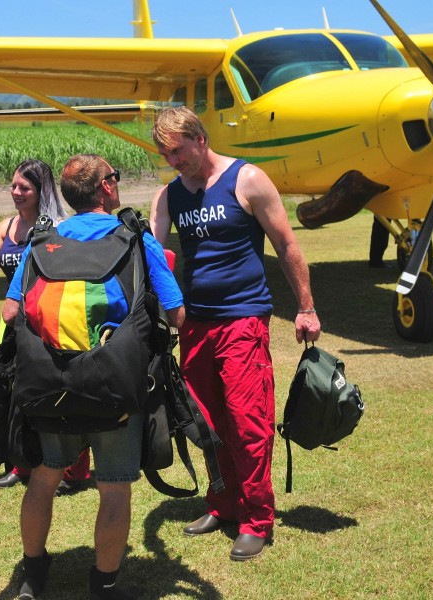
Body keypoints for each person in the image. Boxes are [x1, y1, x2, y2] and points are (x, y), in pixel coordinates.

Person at [2, 154, 184, 600]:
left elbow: (11, 310)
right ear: (106, 186)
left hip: (48, 386)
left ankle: (32, 573)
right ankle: (103, 585)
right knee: (114, 486)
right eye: (115, 178)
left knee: (45, 477)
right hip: (115, 387)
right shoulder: (138, 239)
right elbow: (177, 315)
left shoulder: (42, 239)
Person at [149, 106, 322, 561]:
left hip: (243, 320)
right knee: (207, 423)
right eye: (165, 154)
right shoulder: (168, 196)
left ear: (201, 139)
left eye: (178, 151)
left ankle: (256, 519)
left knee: (248, 421)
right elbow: (154, 256)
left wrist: (306, 307)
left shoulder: (247, 180)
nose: (173, 161)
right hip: (195, 326)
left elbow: (287, 244)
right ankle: (222, 504)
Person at [0, 158, 91, 492]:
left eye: (25, 188)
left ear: (41, 190)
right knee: (16, 394)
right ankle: (22, 463)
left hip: (48, 324)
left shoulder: (58, 228)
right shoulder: (7, 227)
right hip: (11, 327)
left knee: (62, 393)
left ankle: (76, 470)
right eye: (14, 186)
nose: (16, 193)